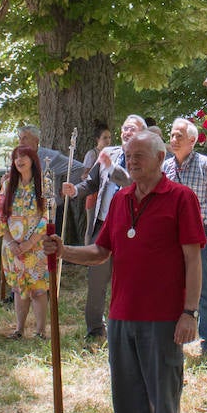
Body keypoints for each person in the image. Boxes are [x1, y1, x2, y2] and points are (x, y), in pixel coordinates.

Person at [42, 130, 203, 413]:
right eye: (128, 156)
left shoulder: (181, 198)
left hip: (163, 317)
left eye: (140, 155)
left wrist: (189, 312)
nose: (132, 162)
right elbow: (101, 252)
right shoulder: (121, 200)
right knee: (127, 395)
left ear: (160, 158)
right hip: (121, 315)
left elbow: (193, 259)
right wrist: (64, 251)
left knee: (162, 398)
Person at [62, 115, 147, 342]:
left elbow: (130, 182)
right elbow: (91, 183)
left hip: (131, 230)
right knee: (96, 279)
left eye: (132, 129)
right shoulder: (108, 153)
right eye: (124, 128)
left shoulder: (145, 157)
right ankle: (95, 330)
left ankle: (127, 327)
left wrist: (111, 169)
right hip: (103, 225)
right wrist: (76, 190)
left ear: (142, 133)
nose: (126, 132)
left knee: (129, 280)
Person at [164, 118, 207, 356]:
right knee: (172, 287)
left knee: (204, 288)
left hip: (198, 238)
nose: (173, 140)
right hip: (171, 239)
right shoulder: (166, 168)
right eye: (171, 135)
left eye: (179, 135)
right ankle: (175, 335)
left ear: (192, 140)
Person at [0, 146, 50, 339]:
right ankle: (19, 329)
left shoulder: (43, 184)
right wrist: (10, 242)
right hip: (13, 248)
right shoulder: (8, 184)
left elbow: (47, 217)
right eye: (16, 157)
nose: (20, 160)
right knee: (19, 289)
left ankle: (40, 331)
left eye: (24, 156)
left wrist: (30, 242)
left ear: (33, 159)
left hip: (36, 248)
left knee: (37, 290)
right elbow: (0, 215)